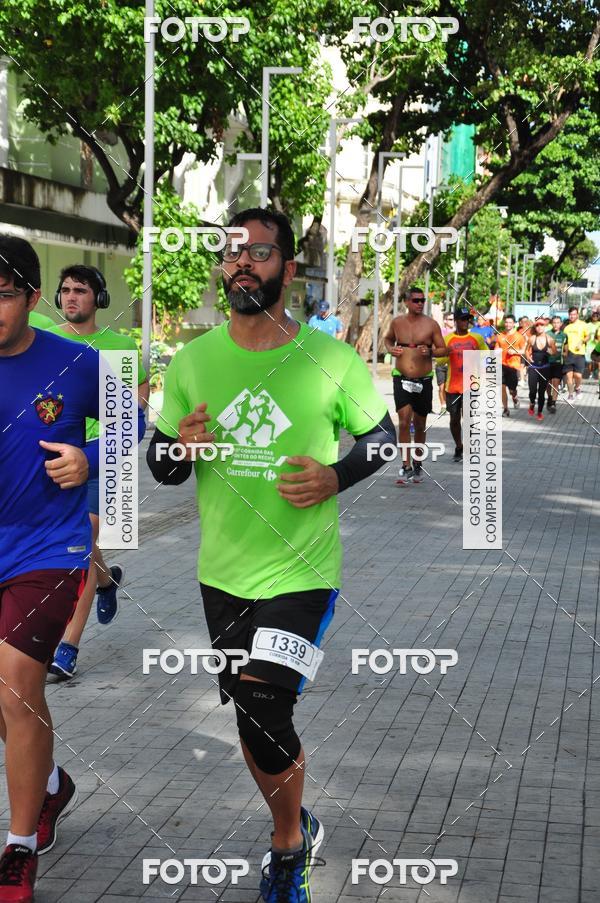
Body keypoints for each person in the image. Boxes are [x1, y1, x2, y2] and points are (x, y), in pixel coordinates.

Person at [147, 208, 394, 903]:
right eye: (233, 254)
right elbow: (160, 466)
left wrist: (333, 476)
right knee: (249, 719)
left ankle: (287, 849)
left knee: (262, 701)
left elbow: (381, 440)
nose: (243, 264)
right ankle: (299, 821)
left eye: (260, 252)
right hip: (221, 575)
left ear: (288, 267)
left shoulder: (330, 357)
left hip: (303, 572)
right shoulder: (195, 359)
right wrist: (177, 446)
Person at [0, 236, 102, 902]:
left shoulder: (77, 360)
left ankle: (18, 845)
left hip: (49, 548)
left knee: (13, 679)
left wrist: (89, 455)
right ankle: (53, 783)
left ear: (33, 299)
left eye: (3, 292)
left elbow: (134, 422)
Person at [46, 266, 149, 679]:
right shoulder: (46, 343)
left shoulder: (119, 347)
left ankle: (67, 647)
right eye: (65, 290)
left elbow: (135, 411)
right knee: (81, 546)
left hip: (101, 460)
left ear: (99, 300)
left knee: (83, 538)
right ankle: (106, 582)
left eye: (81, 291)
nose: (71, 297)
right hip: (53, 458)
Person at [383, 286, 446, 484]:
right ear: (407, 302)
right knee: (403, 422)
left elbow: (443, 348)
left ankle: (417, 463)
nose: (420, 303)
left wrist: (432, 352)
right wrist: (390, 349)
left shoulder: (431, 324)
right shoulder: (397, 322)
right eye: (416, 300)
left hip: (423, 379)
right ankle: (405, 465)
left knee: (419, 424)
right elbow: (387, 338)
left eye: (422, 300)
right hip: (401, 378)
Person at [443, 305, 487, 462]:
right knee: (454, 419)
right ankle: (459, 446)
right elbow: (441, 360)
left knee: (468, 417)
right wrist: (442, 353)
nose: (465, 322)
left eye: (467, 319)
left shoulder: (477, 338)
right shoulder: (448, 339)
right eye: (462, 319)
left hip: (471, 386)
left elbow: (486, 356)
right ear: (455, 320)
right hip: (452, 386)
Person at [526, 319, 556, 421]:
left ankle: (539, 412)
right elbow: (527, 351)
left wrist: (550, 351)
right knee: (532, 390)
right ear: (535, 327)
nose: (539, 327)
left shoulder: (550, 339)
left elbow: (554, 352)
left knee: (542, 392)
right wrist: (528, 357)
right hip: (533, 368)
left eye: (541, 325)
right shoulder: (532, 338)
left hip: (545, 368)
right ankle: (532, 403)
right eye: (537, 325)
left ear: (545, 327)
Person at [497, 315, 526, 417]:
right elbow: (496, 348)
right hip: (501, 365)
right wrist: (497, 351)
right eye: (506, 322)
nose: (508, 324)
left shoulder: (519, 336)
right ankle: (505, 409)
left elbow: (524, 351)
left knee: (512, 390)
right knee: (501, 386)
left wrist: (514, 351)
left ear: (514, 324)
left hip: (513, 366)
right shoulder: (500, 336)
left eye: (510, 322)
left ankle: (515, 397)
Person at [562, 306, 590, 401]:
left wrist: (581, 341)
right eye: (570, 314)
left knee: (578, 376)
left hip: (579, 354)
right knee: (569, 376)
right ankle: (570, 394)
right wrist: (565, 352)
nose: (572, 316)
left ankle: (577, 388)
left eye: (574, 314)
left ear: (577, 315)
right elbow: (565, 342)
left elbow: (588, 336)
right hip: (569, 354)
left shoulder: (583, 324)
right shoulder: (566, 328)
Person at [435, 311, 454, 413]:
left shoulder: (458, 333)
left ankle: (452, 405)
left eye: (453, 319)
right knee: (441, 386)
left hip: (454, 364)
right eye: (450, 319)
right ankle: (443, 406)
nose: (453, 322)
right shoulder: (440, 332)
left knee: (451, 387)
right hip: (441, 363)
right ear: (445, 321)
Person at [546, 315, 567, 412]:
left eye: (558, 322)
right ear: (551, 323)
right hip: (547, 362)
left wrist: (560, 353)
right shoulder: (547, 334)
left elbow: (566, 352)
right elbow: (542, 347)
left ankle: (554, 403)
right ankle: (549, 398)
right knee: (548, 383)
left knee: (556, 383)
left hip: (558, 362)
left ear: (561, 324)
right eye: (554, 322)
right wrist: (547, 351)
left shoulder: (564, 336)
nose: (556, 324)